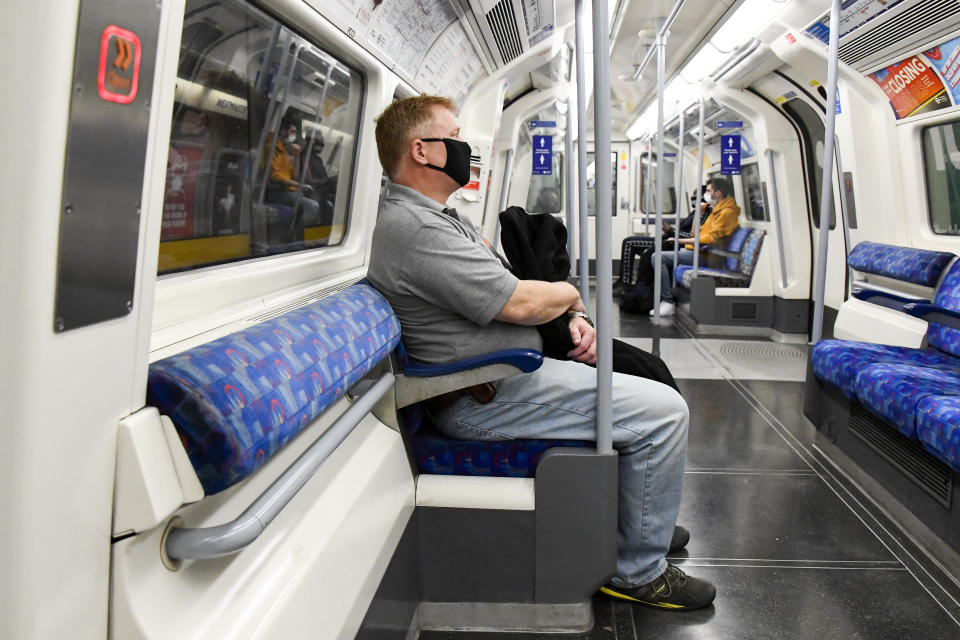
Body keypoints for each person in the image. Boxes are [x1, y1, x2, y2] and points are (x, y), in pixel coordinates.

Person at [367, 95, 716, 610]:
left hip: (507, 376)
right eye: (456, 137)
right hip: (483, 394)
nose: (466, 148)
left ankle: (640, 524)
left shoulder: (443, 218)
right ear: (422, 151)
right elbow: (520, 299)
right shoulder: (415, 229)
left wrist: (569, 320)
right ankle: (638, 571)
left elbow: (509, 282)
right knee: (664, 413)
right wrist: (572, 297)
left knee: (647, 381)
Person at [649, 176, 740, 317]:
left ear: (718, 193)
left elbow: (709, 239)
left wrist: (679, 241)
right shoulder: (717, 211)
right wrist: (700, 212)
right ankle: (666, 299)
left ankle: (667, 301)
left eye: (709, 191)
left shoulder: (727, 213)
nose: (707, 194)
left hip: (709, 257)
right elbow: (694, 233)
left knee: (658, 257)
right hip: (701, 252)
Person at [614, 187, 712, 296]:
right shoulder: (694, 213)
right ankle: (623, 281)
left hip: (677, 243)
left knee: (630, 243)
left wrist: (671, 231)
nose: (693, 198)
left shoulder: (705, 215)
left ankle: (625, 284)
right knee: (628, 241)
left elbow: (692, 236)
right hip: (670, 239)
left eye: (695, 196)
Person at [263, 114, 321, 232]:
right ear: (283, 130)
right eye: (292, 131)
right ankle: (296, 235)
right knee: (312, 206)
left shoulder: (284, 150)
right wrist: (299, 185)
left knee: (318, 198)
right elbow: (273, 175)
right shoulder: (271, 147)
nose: (293, 135)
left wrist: (297, 156)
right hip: (277, 191)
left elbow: (294, 176)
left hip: (288, 191)